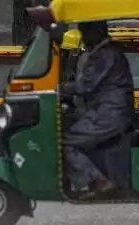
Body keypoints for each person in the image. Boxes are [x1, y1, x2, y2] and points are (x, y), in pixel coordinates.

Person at [60, 21, 134, 197]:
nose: (83, 38)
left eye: (85, 32)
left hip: (108, 113)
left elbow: (86, 85)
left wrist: (59, 89)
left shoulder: (105, 54)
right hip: (111, 112)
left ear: (97, 32)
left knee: (68, 142)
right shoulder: (107, 52)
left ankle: (99, 181)